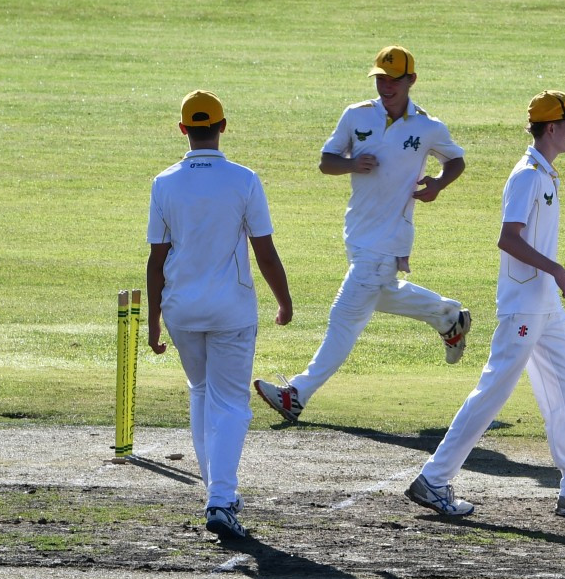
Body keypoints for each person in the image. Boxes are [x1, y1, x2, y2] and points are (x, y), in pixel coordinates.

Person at [407, 92, 565, 522]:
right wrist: (558, 270)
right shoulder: (527, 176)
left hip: (544, 306)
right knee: (493, 392)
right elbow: (508, 239)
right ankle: (434, 479)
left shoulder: (544, 174)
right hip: (525, 306)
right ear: (552, 128)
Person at [254, 45, 471, 424]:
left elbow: (456, 161)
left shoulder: (427, 127)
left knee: (344, 317)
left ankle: (296, 395)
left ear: (411, 81)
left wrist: (437, 184)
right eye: (380, 79)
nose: (385, 86)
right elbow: (326, 162)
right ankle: (448, 316)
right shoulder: (356, 116)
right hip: (357, 232)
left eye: (393, 80)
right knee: (380, 294)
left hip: (389, 239)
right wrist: (351, 164)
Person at [145, 91, 294, 539]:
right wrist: (284, 301)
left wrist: (152, 322)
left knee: (202, 393)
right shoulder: (244, 179)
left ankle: (217, 490)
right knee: (229, 403)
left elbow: (156, 260)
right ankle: (221, 498)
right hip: (231, 308)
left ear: (183, 129)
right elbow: (264, 251)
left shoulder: (164, 182)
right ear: (223, 127)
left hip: (181, 309)